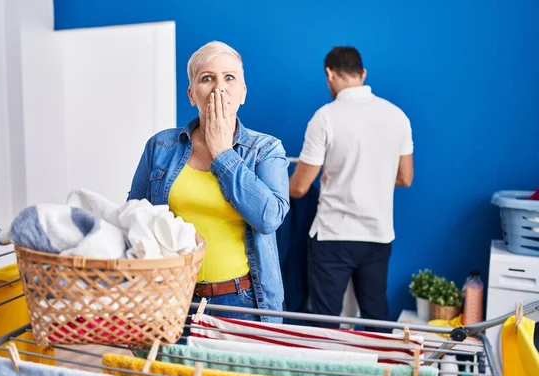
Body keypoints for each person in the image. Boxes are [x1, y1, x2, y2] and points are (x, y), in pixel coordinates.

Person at [128, 41, 289, 323]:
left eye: (229, 78)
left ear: (243, 93)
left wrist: (222, 153)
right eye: (207, 78)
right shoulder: (160, 146)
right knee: (171, 369)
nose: (219, 87)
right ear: (192, 94)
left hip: (242, 301)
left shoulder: (266, 149)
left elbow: (269, 218)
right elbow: (132, 217)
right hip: (172, 297)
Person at [289, 46, 414, 331]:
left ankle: (325, 374)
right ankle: (379, 374)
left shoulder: (325, 117)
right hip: (378, 235)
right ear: (363, 74)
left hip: (334, 233)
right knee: (376, 317)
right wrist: (372, 177)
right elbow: (405, 177)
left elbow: (298, 188)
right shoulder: (397, 116)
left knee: (326, 322)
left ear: (329, 74)